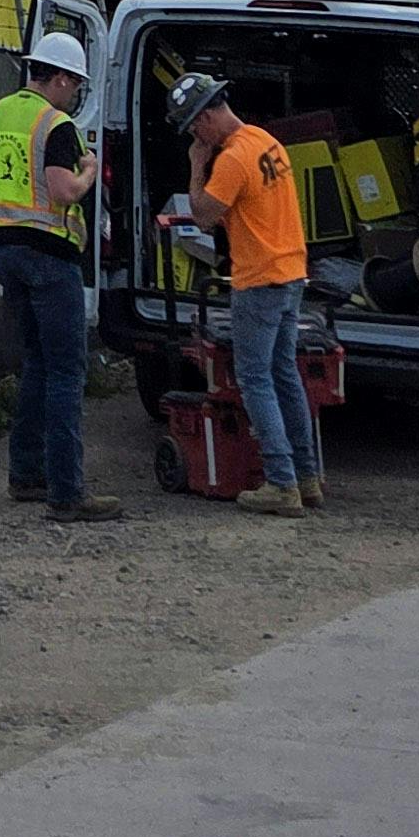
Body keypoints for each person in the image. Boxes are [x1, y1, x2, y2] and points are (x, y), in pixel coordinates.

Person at [0, 32, 123, 523]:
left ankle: (25, 474)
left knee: (36, 363)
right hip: (51, 258)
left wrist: (11, 179)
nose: (75, 94)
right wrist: (90, 170)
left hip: (5, 249)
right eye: (75, 84)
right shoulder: (58, 124)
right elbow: (63, 189)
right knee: (68, 370)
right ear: (62, 77)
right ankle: (67, 493)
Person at [168, 70, 322, 517]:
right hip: (291, 272)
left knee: (256, 380)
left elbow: (203, 216)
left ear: (210, 115)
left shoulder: (232, 159)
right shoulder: (264, 140)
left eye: (195, 125)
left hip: (259, 279)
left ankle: (281, 482)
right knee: (285, 375)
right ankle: (307, 477)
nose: (196, 134)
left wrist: (197, 165)